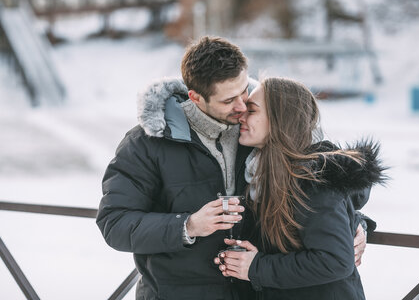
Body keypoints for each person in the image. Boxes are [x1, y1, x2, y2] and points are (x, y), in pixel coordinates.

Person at [96, 36, 369, 300]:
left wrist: (356, 225)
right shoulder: (146, 144)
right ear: (196, 97)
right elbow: (114, 223)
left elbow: (319, 184)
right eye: (228, 101)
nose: (241, 107)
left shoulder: (262, 129)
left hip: (250, 291)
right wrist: (188, 225)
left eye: (244, 92)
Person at [215, 77, 385, 299]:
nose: (241, 117)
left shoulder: (312, 179)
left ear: (281, 120)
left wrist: (256, 268)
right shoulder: (258, 175)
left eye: (252, 110)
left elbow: (334, 261)